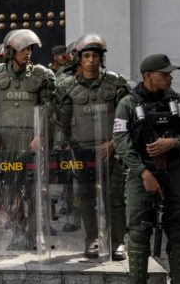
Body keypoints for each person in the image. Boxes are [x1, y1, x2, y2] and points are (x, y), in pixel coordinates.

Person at [113, 54, 180, 284]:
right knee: (139, 233)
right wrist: (143, 172)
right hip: (141, 175)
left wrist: (172, 143)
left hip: (174, 172)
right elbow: (121, 143)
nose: (170, 77)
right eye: (165, 74)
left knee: (179, 230)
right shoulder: (127, 104)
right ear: (148, 75)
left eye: (170, 73)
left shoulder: (179, 101)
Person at [55, 34, 130, 260]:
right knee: (86, 199)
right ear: (79, 59)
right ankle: (92, 240)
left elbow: (127, 121)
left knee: (115, 198)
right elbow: (62, 121)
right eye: (86, 55)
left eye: (95, 55)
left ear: (101, 58)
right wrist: (63, 148)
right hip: (82, 152)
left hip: (112, 151)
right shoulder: (66, 86)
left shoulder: (117, 83)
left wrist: (115, 144)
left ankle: (117, 242)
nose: (91, 60)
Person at [0, 29, 55, 251]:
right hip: (6, 142)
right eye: (23, 49)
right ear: (11, 51)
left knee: (33, 191)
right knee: (10, 190)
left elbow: (49, 109)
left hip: (31, 141)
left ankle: (33, 233)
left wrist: (40, 135)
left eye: (30, 49)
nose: (28, 53)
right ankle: (17, 232)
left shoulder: (41, 75)